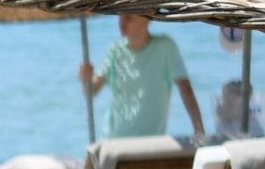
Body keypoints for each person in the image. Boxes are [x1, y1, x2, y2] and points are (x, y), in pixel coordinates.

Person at [81, 13, 204, 142]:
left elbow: (185, 88)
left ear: (146, 20)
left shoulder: (165, 47)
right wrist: (85, 78)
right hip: (114, 140)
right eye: (120, 16)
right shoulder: (115, 51)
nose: (122, 22)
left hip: (150, 145)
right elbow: (91, 91)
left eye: (128, 17)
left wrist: (199, 130)